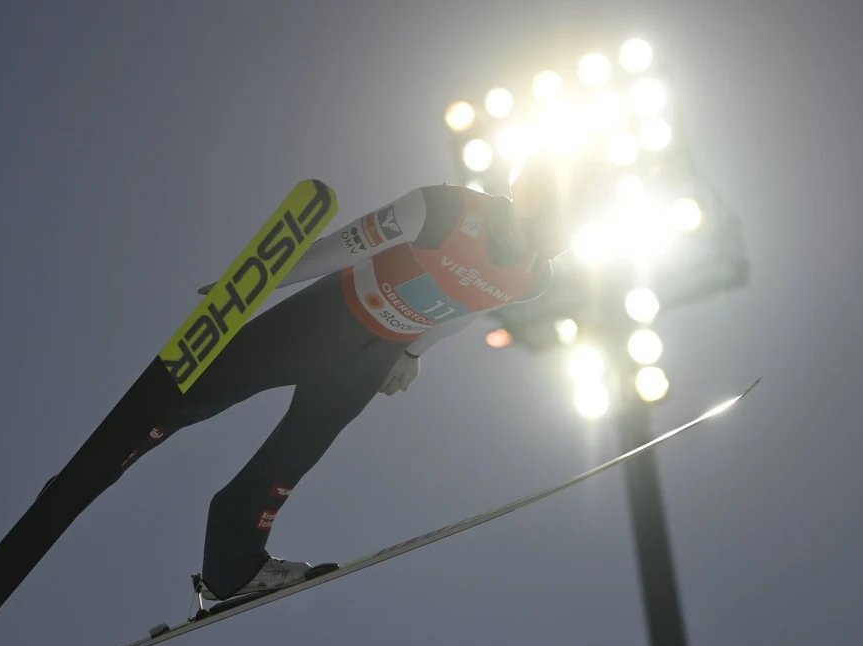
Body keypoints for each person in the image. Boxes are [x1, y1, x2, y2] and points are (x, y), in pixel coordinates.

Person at [107, 156, 564, 601]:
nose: (560, 237)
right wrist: (255, 284)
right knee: (209, 388)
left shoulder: (535, 277)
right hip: (325, 320)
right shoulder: (445, 209)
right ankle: (107, 456)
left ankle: (233, 566)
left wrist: (412, 352)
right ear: (527, 192)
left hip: (371, 360)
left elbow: (467, 309)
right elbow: (344, 247)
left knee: (293, 456)